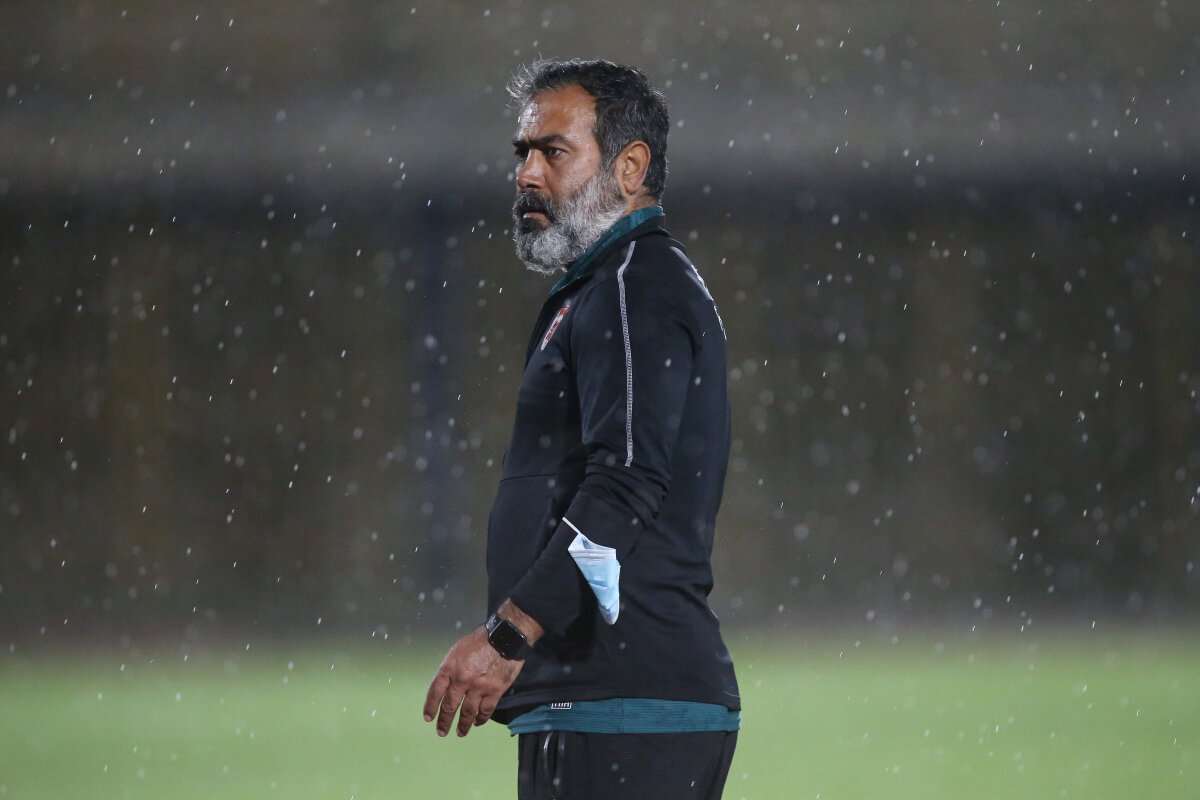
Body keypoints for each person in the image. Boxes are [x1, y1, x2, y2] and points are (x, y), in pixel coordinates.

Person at [424, 58, 740, 799]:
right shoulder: (612, 284)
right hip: (610, 703)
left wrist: (508, 636)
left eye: (553, 151)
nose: (527, 174)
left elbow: (625, 481)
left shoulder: (633, 283)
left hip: (623, 703)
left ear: (630, 168)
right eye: (522, 153)